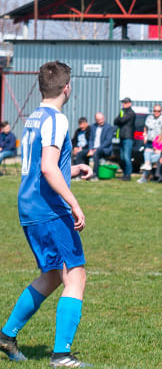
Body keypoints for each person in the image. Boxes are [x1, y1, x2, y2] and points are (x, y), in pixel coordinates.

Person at [0, 61, 94, 367]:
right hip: (49, 209)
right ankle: (61, 355)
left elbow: (46, 165)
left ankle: (6, 336)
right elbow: (47, 167)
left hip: (29, 205)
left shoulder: (34, 118)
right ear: (67, 88)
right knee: (75, 276)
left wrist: (73, 169)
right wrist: (74, 203)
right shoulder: (57, 119)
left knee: (53, 275)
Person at [141, 106, 162, 174]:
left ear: (161, 111)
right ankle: (145, 176)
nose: (156, 112)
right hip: (150, 141)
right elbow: (145, 127)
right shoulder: (149, 118)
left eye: (158, 111)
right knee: (146, 154)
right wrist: (145, 136)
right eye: (155, 111)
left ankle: (146, 174)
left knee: (151, 158)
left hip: (158, 142)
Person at [113, 97, 135, 181]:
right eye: (123, 102)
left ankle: (128, 175)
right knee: (122, 157)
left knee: (126, 157)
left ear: (130, 103)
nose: (123, 104)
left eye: (125, 103)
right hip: (122, 137)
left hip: (128, 137)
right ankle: (125, 174)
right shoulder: (123, 112)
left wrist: (119, 119)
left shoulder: (131, 113)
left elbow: (121, 120)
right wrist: (119, 119)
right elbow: (115, 121)